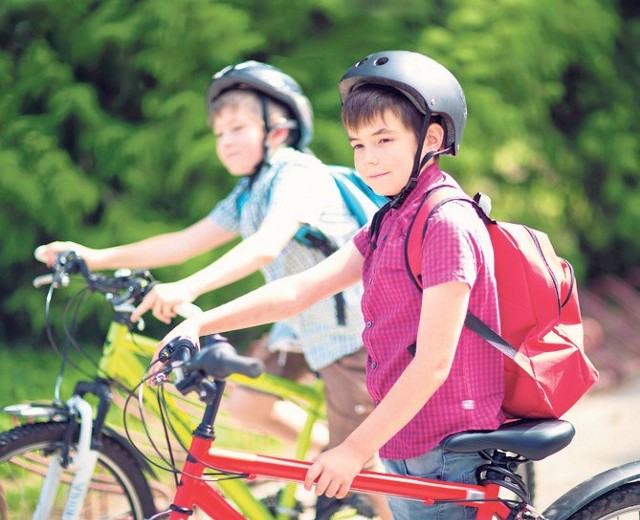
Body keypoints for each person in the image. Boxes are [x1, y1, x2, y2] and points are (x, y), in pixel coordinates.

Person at [155, 50, 505, 519]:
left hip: (446, 451)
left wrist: (352, 450)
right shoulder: (389, 220)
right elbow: (300, 290)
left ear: (432, 137)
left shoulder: (445, 221)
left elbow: (433, 365)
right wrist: (200, 324)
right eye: (358, 144)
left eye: (384, 139)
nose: (369, 158)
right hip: (404, 439)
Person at [35, 60, 392, 518]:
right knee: (245, 400)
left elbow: (266, 246)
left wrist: (188, 287)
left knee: (363, 469)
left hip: (352, 338)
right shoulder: (249, 192)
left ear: (278, 130)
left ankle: (376, 496)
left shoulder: (299, 174)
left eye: (237, 127)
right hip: (299, 332)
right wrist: (94, 256)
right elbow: (184, 242)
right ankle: (323, 449)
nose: (225, 141)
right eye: (219, 133)